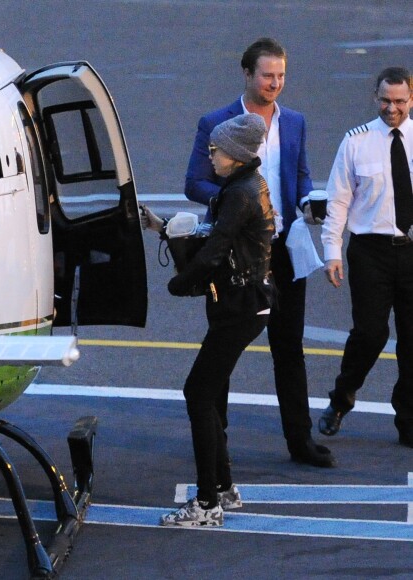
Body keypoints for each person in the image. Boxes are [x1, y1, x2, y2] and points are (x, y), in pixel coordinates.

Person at [184, 37, 335, 467]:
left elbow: (300, 176)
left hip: (284, 250)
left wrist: (308, 201)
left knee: (289, 347)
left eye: (281, 75)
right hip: (236, 254)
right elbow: (195, 183)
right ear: (247, 74)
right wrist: (239, 206)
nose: (275, 83)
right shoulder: (217, 122)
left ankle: (300, 441)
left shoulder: (296, 122)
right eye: (267, 75)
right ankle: (218, 438)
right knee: (224, 347)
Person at [154, 113, 275, 526]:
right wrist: (164, 227)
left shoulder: (240, 192)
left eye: (215, 150)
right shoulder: (241, 186)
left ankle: (207, 504)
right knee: (208, 393)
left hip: (239, 309)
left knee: (198, 393)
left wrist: (180, 284)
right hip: (243, 305)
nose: (210, 155)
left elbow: (215, 249)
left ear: (236, 155)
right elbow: (214, 234)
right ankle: (223, 488)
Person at [319, 67, 413, 447]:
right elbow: (338, 200)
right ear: (376, 98)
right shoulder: (356, 142)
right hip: (370, 252)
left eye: (400, 101)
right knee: (371, 333)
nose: (392, 108)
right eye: (385, 100)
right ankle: (342, 397)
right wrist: (332, 251)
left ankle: (408, 419)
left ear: (412, 99)